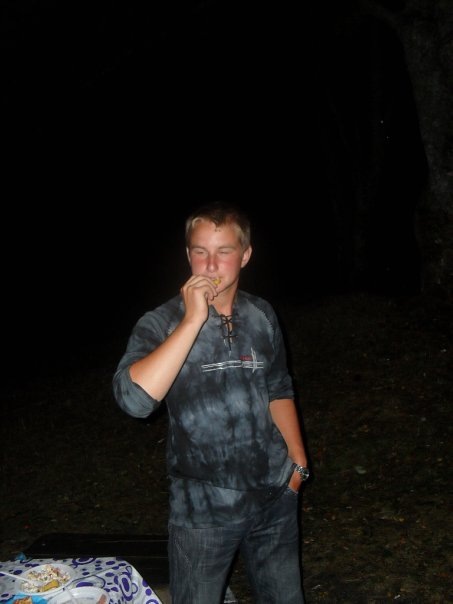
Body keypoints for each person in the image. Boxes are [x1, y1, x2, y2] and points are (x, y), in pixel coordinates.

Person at [112, 201, 310, 604]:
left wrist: (298, 465)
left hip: (275, 498)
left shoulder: (261, 314)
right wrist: (192, 319)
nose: (211, 265)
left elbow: (278, 388)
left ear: (246, 255)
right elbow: (134, 402)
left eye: (224, 251)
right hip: (202, 512)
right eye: (200, 251)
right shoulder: (160, 323)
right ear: (188, 255)